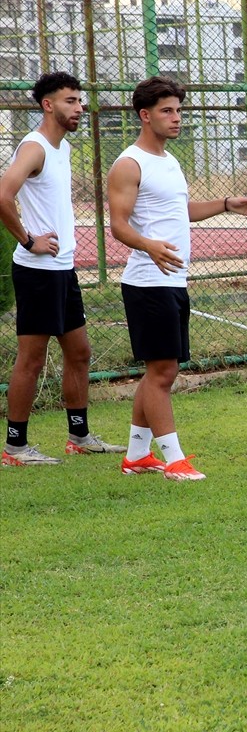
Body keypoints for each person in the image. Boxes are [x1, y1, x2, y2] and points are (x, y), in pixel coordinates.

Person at [107, 76, 247, 480]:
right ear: (145, 115)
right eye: (167, 111)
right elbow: (118, 226)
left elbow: (181, 211)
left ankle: (138, 455)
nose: (177, 118)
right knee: (163, 373)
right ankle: (174, 459)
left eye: (179, 110)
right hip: (147, 281)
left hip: (173, 281)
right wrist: (148, 245)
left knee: (159, 372)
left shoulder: (169, 161)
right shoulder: (129, 163)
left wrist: (228, 203)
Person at [0, 72, 126, 466]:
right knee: (32, 359)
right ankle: (15, 447)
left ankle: (79, 436)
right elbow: (3, 194)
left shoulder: (62, 148)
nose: (79, 108)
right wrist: (27, 240)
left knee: (80, 352)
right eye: (70, 101)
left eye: (80, 101)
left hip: (62, 269)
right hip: (38, 272)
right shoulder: (34, 147)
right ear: (48, 105)